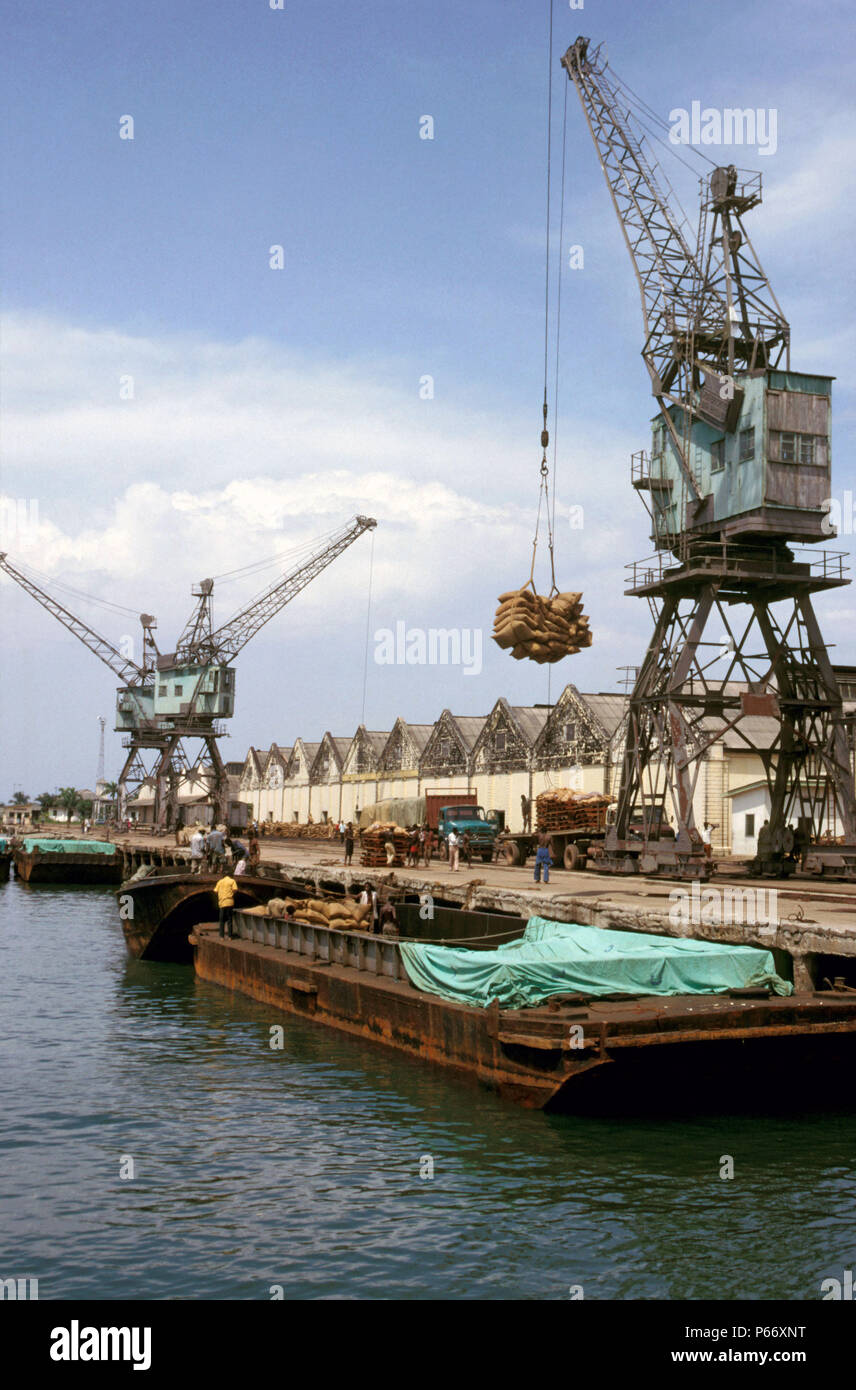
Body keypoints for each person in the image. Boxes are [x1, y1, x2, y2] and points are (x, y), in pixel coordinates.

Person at [215, 869, 238, 938]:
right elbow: (235, 889)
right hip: (229, 902)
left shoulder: (220, 881)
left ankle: (221, 936)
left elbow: (215, 891)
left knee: (221, 920)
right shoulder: (232, 881)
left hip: (222, 903)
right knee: (229, 919)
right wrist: (231, 893)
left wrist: (221, 894)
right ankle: (230, 936)